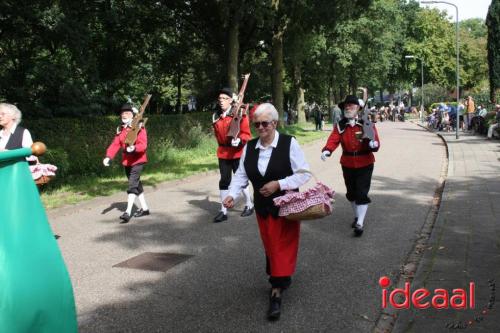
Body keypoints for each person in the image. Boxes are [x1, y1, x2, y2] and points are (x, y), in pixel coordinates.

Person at [223, 103, 311, 321]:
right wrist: (232, 195)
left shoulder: (289, 144)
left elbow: (304, 173)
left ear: (275, 123)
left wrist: (278, 184)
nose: (261, 128)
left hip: (286, 206)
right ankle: (280, 277)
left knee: (283, 245)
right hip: (263, 208)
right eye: (257, 124)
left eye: (265, 123)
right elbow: (241, 175)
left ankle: (276, 290)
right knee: (271, 244)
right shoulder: (249, 147)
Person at [320, 95, 380, 236]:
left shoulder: (366, 123)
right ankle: (357, 216)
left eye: (351, 106)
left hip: (365, 162)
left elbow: (374, 138)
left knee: (361, 193)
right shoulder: (340, 126)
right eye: (346, 106)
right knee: (351, 193)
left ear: (358, 108)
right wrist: (327, 150)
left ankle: (360, 223)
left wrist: (373, 143)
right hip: (347, 163)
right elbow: (334, 139)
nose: (348, 108)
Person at [212, 87, 254, 222]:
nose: (221, 101)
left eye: (224, 99)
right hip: (223, 153)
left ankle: (249, 204)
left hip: (237, 153)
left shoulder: (240, 113)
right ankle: (223, 211)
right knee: (224, 181)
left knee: (241, 180)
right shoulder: (216, 116)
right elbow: (217, 135)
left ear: (231, 101)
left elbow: (246, 134)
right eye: (220, 99)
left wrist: (240, 140)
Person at [103, 104, 150, 223]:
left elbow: (143, 145)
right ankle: (145, 209)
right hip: (127, 161)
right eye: (123, 113)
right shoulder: (121, 129)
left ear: (132, 115)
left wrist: (134, 148)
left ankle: (127, 212)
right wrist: (108, 156)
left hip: (138, 160)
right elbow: (115, 144)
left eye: (127, 113)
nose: (124, 115)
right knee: (136, 185)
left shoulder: (139, 127)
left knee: (132, 185)